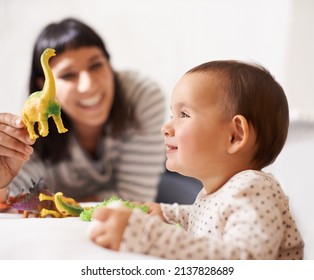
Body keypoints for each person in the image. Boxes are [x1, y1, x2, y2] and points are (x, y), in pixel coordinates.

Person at [89, 60, 304, 259]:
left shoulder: (254, 190)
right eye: (171, 115)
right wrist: (166, 214)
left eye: (183, 115)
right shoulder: (222, 192)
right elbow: (210, 219)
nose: (166, 127)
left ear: (235, 136)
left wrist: (148, 236)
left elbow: (245, 261)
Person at [0, 18, 166, 203]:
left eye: (96, 65)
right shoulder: (34, 123)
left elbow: (135, 197)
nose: (87, 86)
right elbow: (14, 199)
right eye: (68, 75)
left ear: (110, 65)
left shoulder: (140, 96)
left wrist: (65, 207)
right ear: (44, 85)